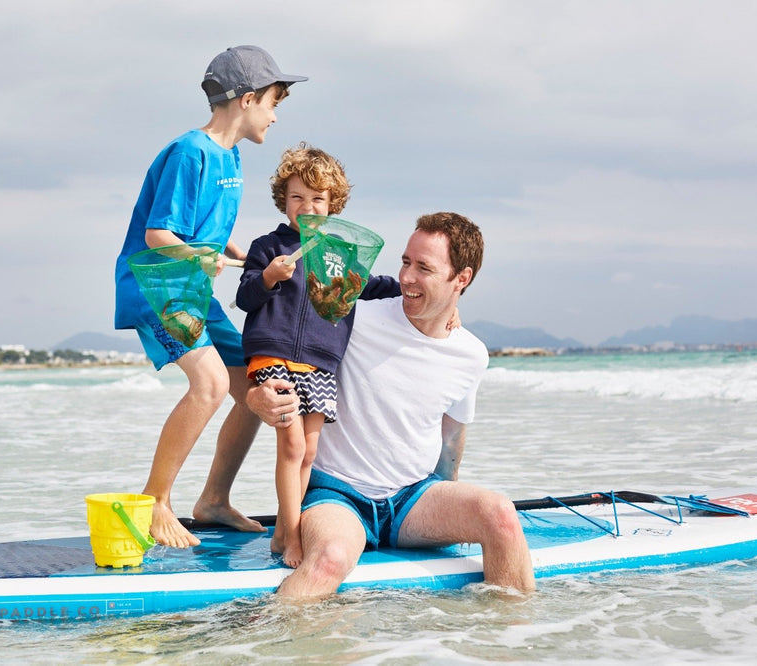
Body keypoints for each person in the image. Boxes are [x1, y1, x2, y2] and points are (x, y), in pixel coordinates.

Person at [246, 212, 537, 595]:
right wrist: (257, 397)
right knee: (330, 558)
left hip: (412, 498)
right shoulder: (352, 316)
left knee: (500, 515)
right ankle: (263, 643)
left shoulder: (471, 354)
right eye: (405, 262)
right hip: (339, 496)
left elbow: (452, 439)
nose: (406, 278)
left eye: (424, 268)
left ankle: (513, 642)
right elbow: (276, 347)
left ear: (461, 279)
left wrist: (445, 510)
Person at [113, 46, 307, 549]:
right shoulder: (190, 152)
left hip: (192, 287)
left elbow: (212, 229)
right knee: (211, 384)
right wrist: (203, 257)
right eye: (273, 101)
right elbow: (160, 235)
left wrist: (242, 255)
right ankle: (155, 501)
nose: (276, 114)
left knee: (253, 386)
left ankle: (214, 499)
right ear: (246, 99)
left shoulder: (232, 157)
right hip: (159, 286)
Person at [236, 143, 400, 567]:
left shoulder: (337, 254)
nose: (306, 206)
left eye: (317, 199)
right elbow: (245, 297)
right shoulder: (269, 246)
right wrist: (269, 278)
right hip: (273, 355)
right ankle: (290, 536)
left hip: (321, 362)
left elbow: (369, 286)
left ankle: (282, 531)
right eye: (297, 198)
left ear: (333, 205)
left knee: (308, 452)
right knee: (290, 446)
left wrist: (418, 288)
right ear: (283, 200)